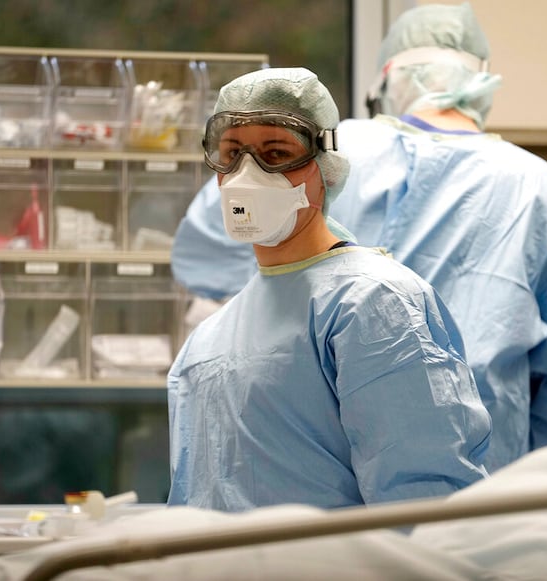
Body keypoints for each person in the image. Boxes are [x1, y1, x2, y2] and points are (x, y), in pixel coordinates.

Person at [170, 2, 547, 473]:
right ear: (482, 81)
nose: (250, 170)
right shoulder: (542, 188)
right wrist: (495, 440)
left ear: (386, 79)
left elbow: (206, 256)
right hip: (487, 479)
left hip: (310, 458)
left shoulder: (324, 148)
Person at [167, 66, 491, 512]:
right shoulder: (208, 338)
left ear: (325, 166)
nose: (247, 174)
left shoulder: (373, 303)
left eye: (275, 153)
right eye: (230, 154)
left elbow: (426, 507)